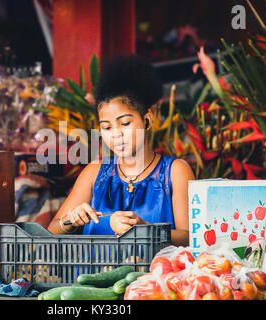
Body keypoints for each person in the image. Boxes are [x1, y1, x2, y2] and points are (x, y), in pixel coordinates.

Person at [47, 55, 195, 246]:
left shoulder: (175, 172)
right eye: (107, 127)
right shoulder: (94, 173)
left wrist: (147, 232)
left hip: (154, 275)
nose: (116, 134)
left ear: (147, 120)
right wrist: (71, 220)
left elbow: (190, 237)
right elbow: (51, 232)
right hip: (93, 275)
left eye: (125, 123)